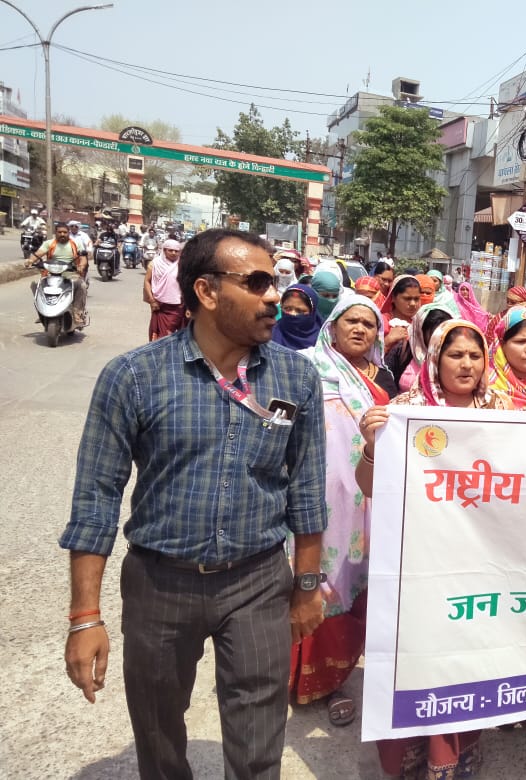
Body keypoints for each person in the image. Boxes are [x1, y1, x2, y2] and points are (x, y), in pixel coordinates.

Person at [59, 228, 328, 779]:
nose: (274, 295)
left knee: (258, 745)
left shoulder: (297, 377)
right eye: (256, 283)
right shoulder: (134, 377)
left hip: (257, 583)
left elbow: (307, 491)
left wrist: (305, 588)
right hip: (160, 584)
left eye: (274, 282)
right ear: (206, 292)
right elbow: (95, 499)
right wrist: (84, 618)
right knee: (157, 733)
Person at [356, 320, 512, 779]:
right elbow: (369, 486)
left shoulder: (503, 410)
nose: (466, 364)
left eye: (475, 356)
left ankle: (454, 752)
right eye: (455, 355)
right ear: (435, 358)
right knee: (417, 657)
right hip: (418, 562)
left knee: (465, 659)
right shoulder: (405, 410)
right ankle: (407, 752)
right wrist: (372, 446)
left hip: (478, 561)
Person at [291, 295, 396, 726]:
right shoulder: (303, 367)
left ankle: (337, 676)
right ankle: (300, 676)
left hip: (367, 496)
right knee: (315, 579)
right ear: (332, 326)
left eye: (369, 325)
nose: (359, 329)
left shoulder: (381, 380)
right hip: (316, 493)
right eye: (351, 321)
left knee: (356, 578)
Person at [26, 222, 89, 328]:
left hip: (70, 274)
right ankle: (42, 311)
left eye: (65, 232)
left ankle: (78, 313)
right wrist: (30, 261)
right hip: (51, 273)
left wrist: (81, 266)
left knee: (81, 285)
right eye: (60, 232)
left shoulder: (76, 243)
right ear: (55, 233)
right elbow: (38, 254)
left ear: (68, 233)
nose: (62, 234)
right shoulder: (49, 243)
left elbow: (83, 258)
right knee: (36, 286)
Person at [385, 304, 454, 394]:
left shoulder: (458, 354)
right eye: (433, 333)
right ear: (420, 333)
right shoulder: (404, 351)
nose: (439, 338)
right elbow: (386, 382)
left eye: (444, 332)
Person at [143, 239, 186, 341]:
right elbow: (147, 281)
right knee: (158, 334)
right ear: (164, 250)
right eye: (170, 250)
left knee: (171, 334)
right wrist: (151, 300)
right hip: (159, 305)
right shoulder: (154, 264)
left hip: (177, 306)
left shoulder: (183, 265)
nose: (173, 253)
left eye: (176, 251)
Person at [272, 284, 322, 351]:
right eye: (287, 309)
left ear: (312, 312)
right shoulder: (271, 334)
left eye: (300, 311)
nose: (292, 314)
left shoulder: (324, 339)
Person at [379, 275, 422, 351]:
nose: (413, 304)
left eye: (416, 299)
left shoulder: (421, 323)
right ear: (393, 298)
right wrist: (388, 341)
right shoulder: (381, 322)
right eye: (407, 298)